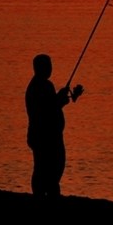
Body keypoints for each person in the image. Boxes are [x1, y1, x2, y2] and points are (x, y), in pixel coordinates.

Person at [25, 53, 82, 198]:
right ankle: (44, 195)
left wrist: (61, 97)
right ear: (40, 68)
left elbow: (52, 105)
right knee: (47, 168)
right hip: (44, 137)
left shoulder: (44, 85)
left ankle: (47, 193)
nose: (51, 68)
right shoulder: (39, 87)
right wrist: (60, 99)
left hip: (50, 136)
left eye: (50, 65)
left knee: (50, 168)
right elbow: (47, 109)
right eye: (48, 65)